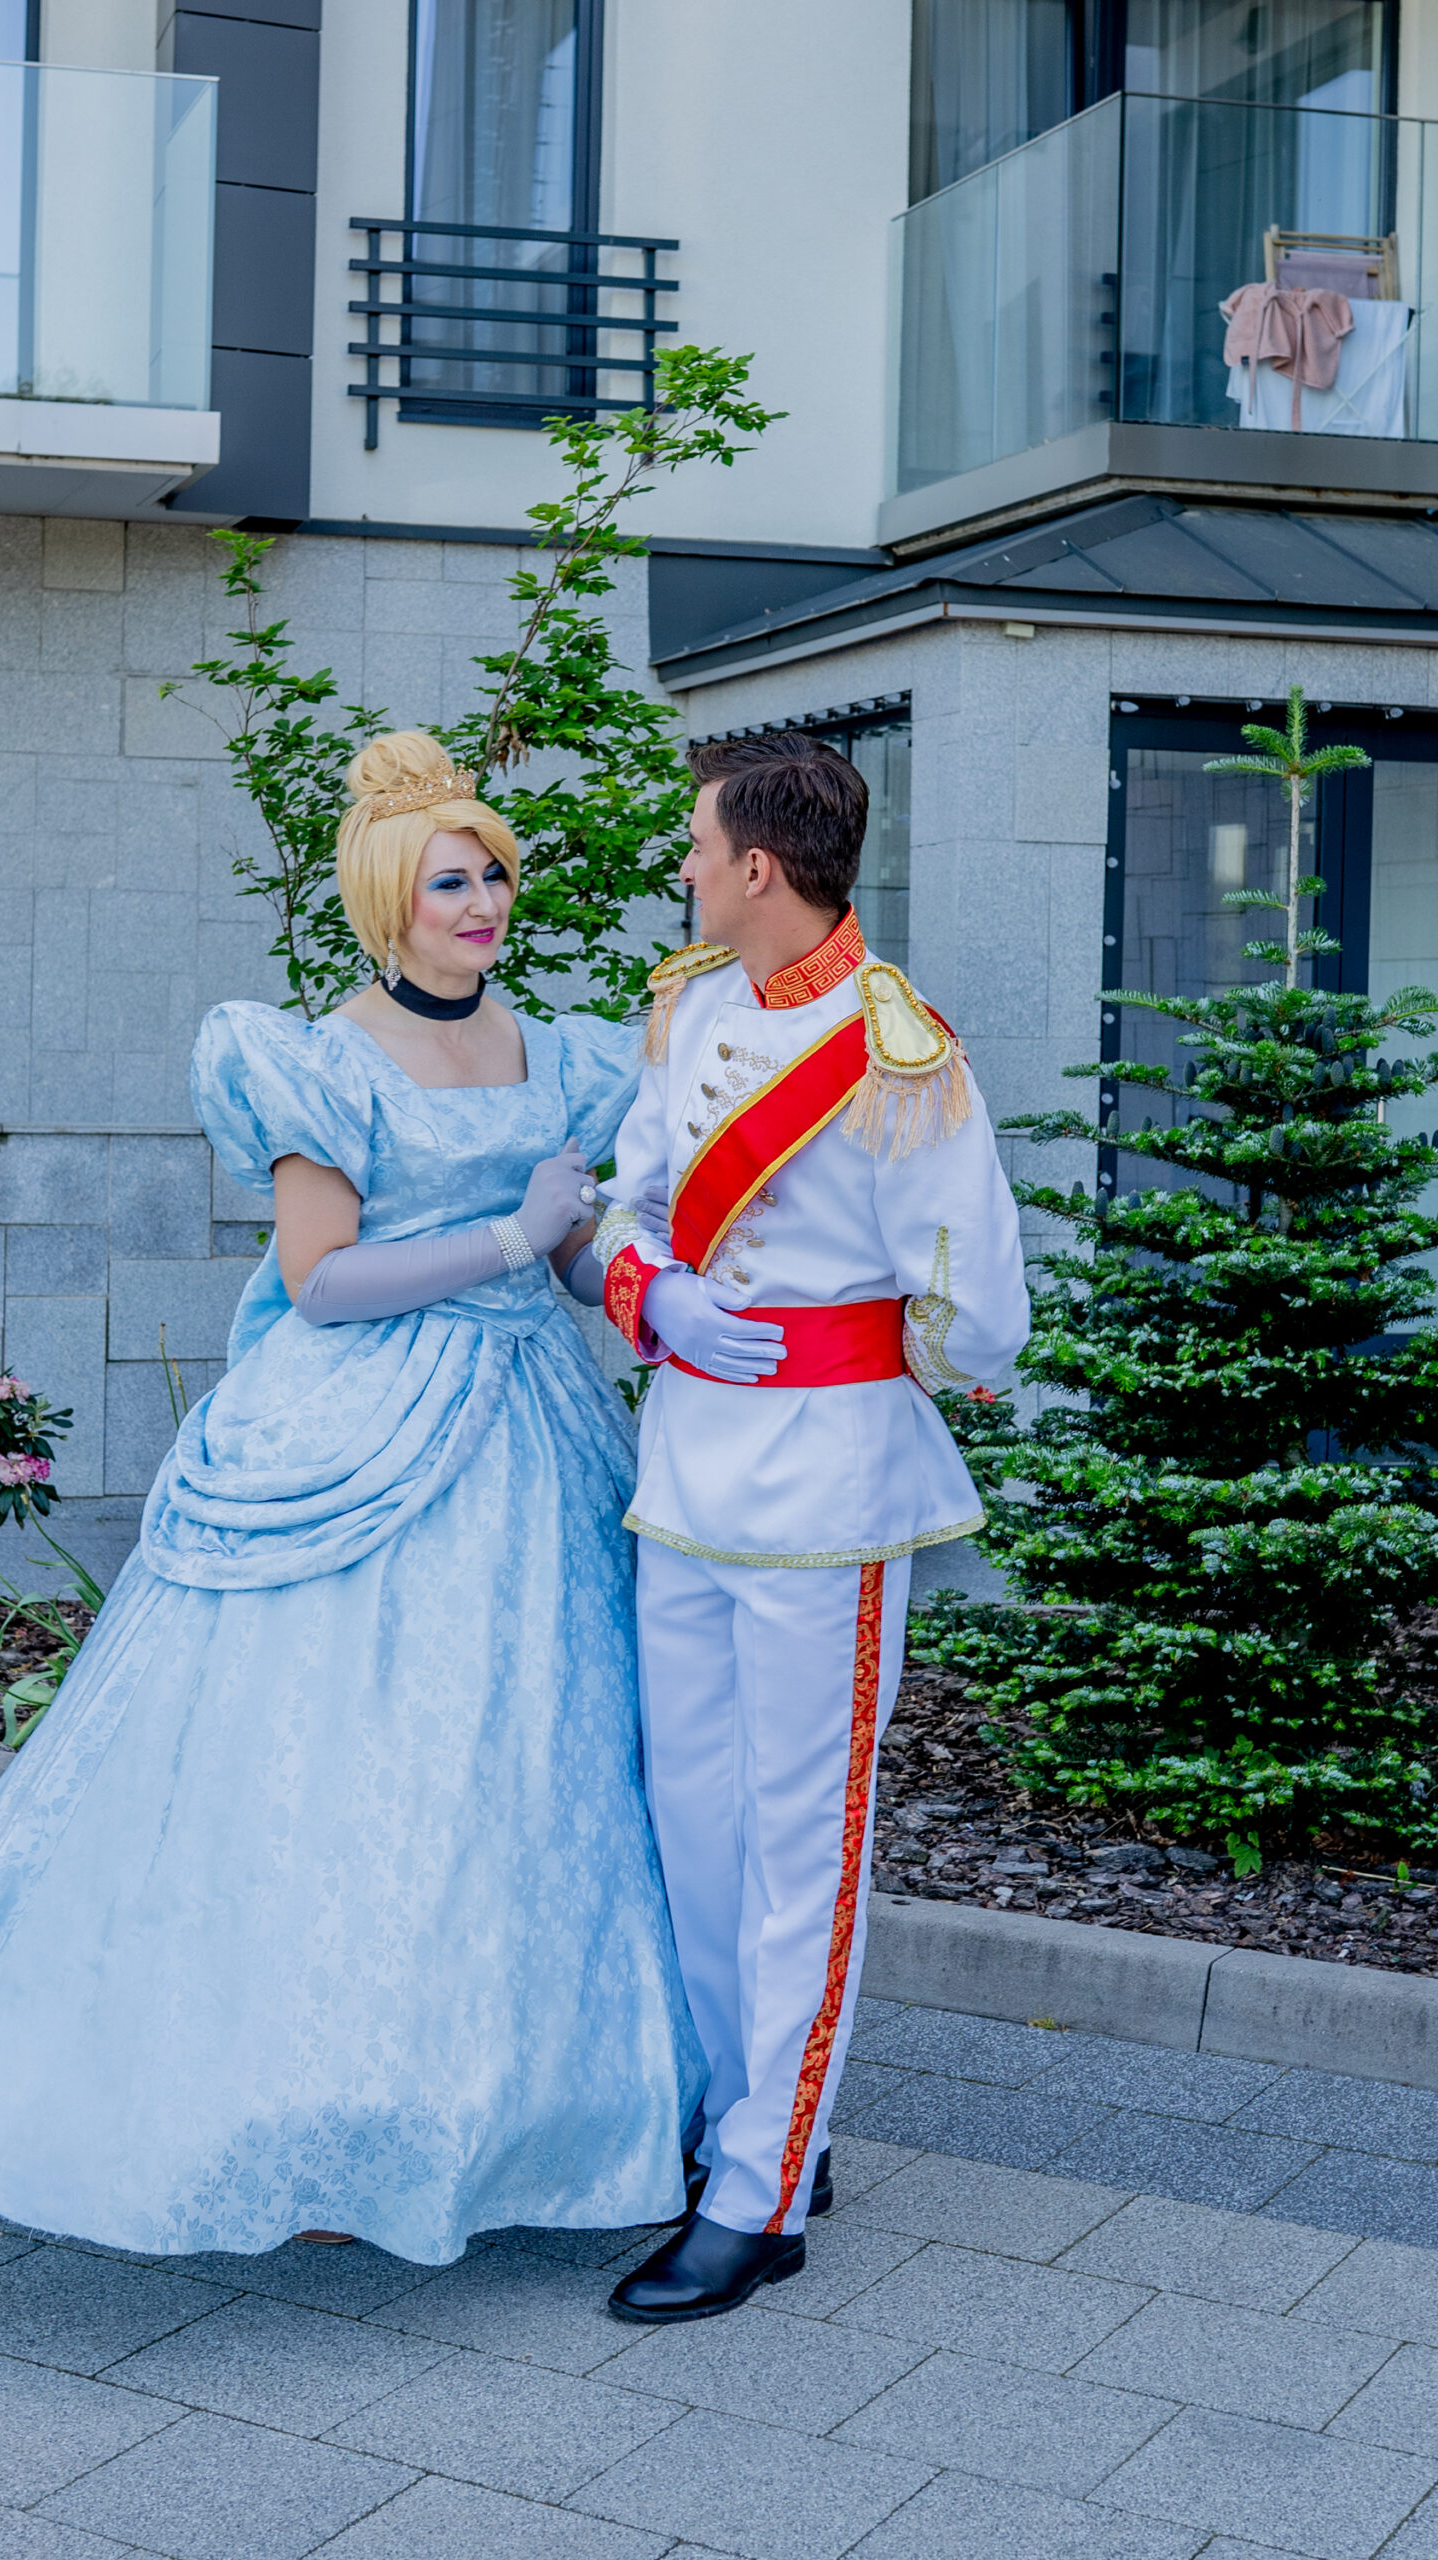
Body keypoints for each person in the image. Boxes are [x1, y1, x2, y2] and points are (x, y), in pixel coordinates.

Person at [0, 730, 704, 2267]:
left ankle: (518, 2112)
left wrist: (635, 1281)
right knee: (339, 1775)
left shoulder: (555, 1053)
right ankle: (313, 2122)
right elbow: (320, 1278)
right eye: (450, 882)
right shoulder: (319, 1061)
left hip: (532, 1440)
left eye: (492, 875)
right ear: (388, 900)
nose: (482, 903)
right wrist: (509, 1238)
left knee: (522, 1772)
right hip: (356, 1434)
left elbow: (564, 1248)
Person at [594, 735, 1029, 2323]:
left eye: (700, 849)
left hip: (824, 1498)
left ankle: (762, 2193)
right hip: (685, 1475)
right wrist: (660, 1296)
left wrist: (838, 1353)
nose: (686, 871)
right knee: (695, 1827)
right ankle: (755, 2121)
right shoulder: (691, 1008)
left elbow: (980, 1315)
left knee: (800, 1848)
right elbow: (632, 1206)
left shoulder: (897, 1051)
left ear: (760, 868)